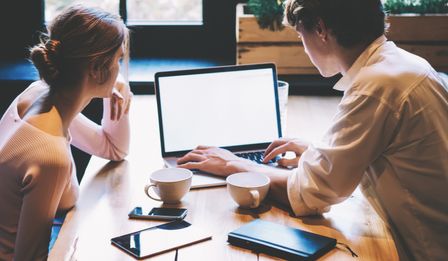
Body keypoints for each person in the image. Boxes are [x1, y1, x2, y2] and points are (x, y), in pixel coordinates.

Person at [177, 0, 448, 260]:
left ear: (320, 29)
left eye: (299, 35)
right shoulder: (401, 65)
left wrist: (232, 164)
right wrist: (315, 151)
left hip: (425, 250)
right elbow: (379, 149)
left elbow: (310, 194)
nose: (304, 48)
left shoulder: (377, 85)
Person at [0, 5, 132, 260]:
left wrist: (119, 87)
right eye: (119, 60)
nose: (120, 68)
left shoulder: (40, 94)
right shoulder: (51, 157)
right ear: (96, 68)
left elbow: (114, 149)